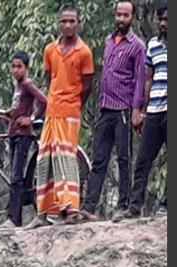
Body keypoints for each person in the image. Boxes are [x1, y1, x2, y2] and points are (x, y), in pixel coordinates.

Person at [27, 6, 95, 229]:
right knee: (45, 160)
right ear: (59, 23)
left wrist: (74, 104)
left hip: (70, 112)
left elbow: (87, 86)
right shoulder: (50, 50)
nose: (67, 25)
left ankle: (70, 209)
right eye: (64, 21)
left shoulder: (84, 52)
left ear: (78, 22)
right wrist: (56, 100)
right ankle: (44, 211)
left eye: (72, 21)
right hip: (52, 111)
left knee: (66, 160)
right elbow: (50, 78)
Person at [81, 1, 147, 221]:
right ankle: (89, 207)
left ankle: (123, 205)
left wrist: (137, 110)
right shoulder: (109, 41)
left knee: (124, 158)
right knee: (99, 158)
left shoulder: (137, 46)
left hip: (123, 110)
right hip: (105, 107)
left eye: (125, 15)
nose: (121, 19)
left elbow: (139, 80)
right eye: (118, 14)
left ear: (132, 18)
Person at [0, 52, 47, 229]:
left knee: (16, 176)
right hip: (14, 132)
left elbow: (43, 101)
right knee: (14, 175)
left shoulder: (27, 84)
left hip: (23, 135)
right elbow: (18, 107)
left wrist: (31, 119)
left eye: (19, 67)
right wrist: (7, 113)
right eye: (13, 66)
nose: (15, 70)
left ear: (27, 68)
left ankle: (14, 218)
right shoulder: (18, 86)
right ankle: (13, 216)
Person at [128, 2, 168, 218]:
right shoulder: (153, 44)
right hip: (154, 109)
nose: (163, 24)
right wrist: (140, 109)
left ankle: (167, 205)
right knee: (143, 158)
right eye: (160, 19)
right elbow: (148, 79)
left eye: (167, 20)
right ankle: (135, 206)